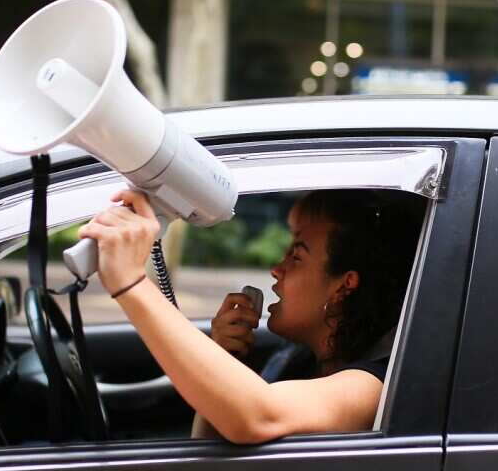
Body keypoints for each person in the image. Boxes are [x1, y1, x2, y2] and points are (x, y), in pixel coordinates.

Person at [79, 188, 423, 444]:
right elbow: (210, 445)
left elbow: (260, 416)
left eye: (297, 255)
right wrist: (225, 357)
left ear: (343, 286)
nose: (277, 269)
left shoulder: (372, 387)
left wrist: (131, 283)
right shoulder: (296, 359)